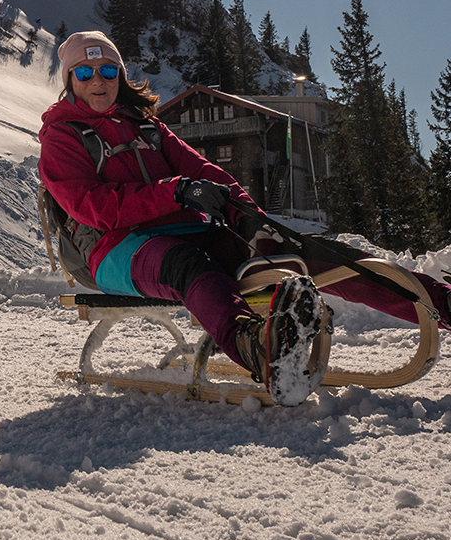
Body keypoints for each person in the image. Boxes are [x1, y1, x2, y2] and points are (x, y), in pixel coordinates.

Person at [38, 30, 451, 401]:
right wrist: (175, 190)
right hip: (115, 249)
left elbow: (205, 172)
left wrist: (249, 219)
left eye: (108, 70)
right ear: (70, 80)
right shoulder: (61, 135)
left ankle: (443, 304)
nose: (99, 81)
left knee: (299, 254)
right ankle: (262, 350)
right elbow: (94, 207)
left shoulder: (146, 127)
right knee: (188, 266)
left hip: (184, 228)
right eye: (86, 71)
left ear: (120, 76)